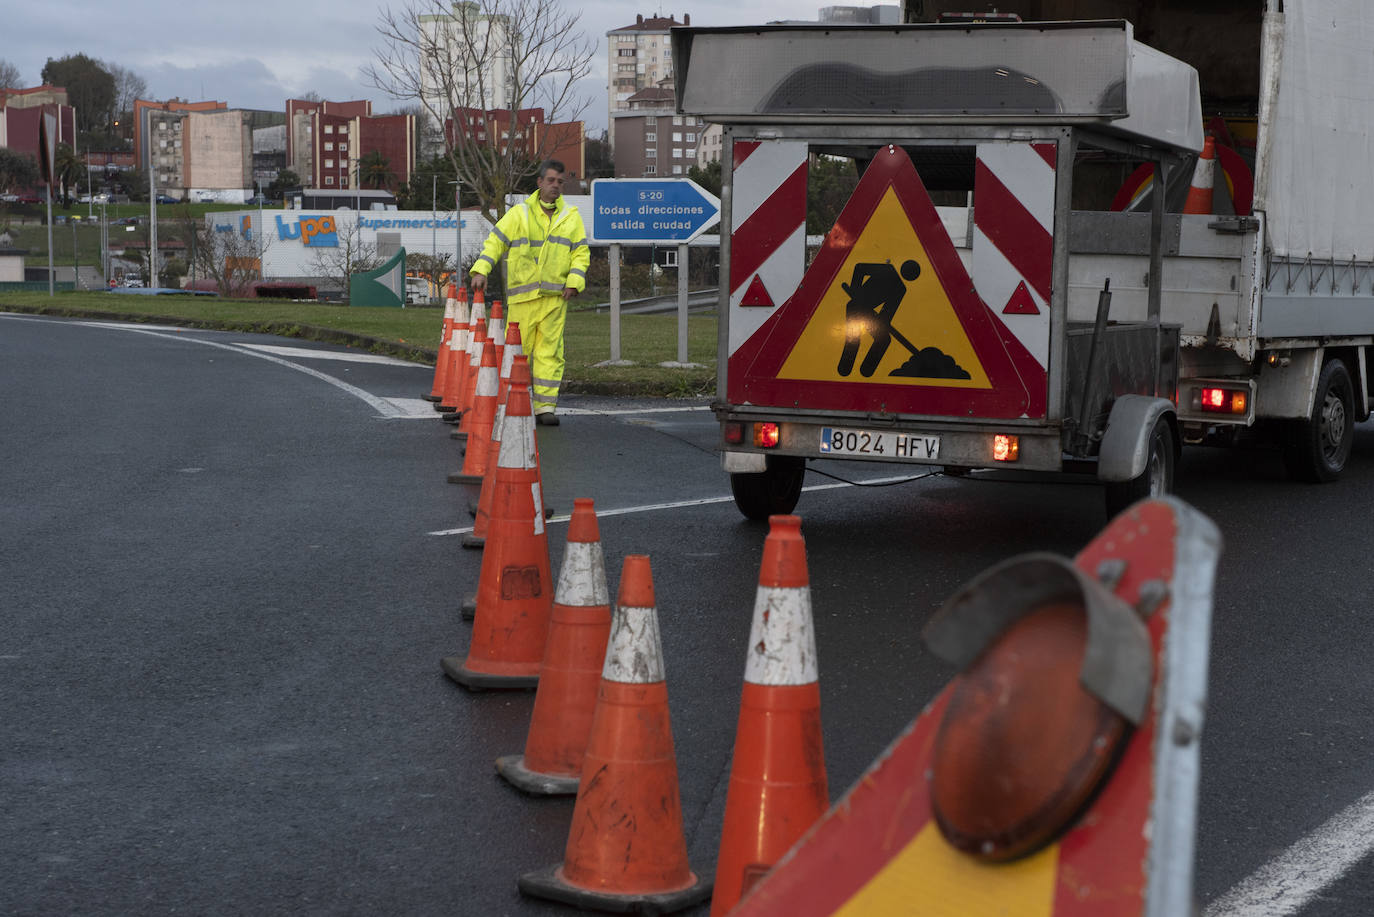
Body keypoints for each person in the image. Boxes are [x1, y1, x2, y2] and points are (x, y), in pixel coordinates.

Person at [469, 159, 590, 425]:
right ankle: (512, 401)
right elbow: (496, 242)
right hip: (523, 299)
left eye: (560, 181)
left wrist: (574, 282)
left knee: (550, 353)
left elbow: (580, 253)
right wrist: (481, 270)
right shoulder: (519, 214)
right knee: (517, 354)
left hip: (555, 298)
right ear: (539, 183)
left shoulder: (570, 217)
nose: (556, 186)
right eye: (551, 180)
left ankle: (545, 408)